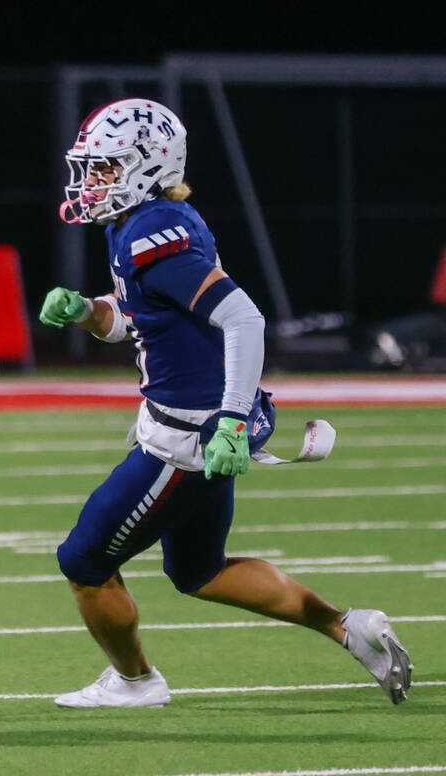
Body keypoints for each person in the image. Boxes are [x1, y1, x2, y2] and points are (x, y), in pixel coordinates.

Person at [40, 97, 412, 708]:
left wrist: (230, 422)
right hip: (200, 426)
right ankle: (351, 628)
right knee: (199, 571)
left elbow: (244, 319)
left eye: (106, 168)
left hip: (190, 437)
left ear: (147, 165)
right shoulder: (141, 225)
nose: (92, 181)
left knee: (82, 559)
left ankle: (136, 682)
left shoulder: (152, 237)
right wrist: (86, 311)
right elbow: (137, 320)